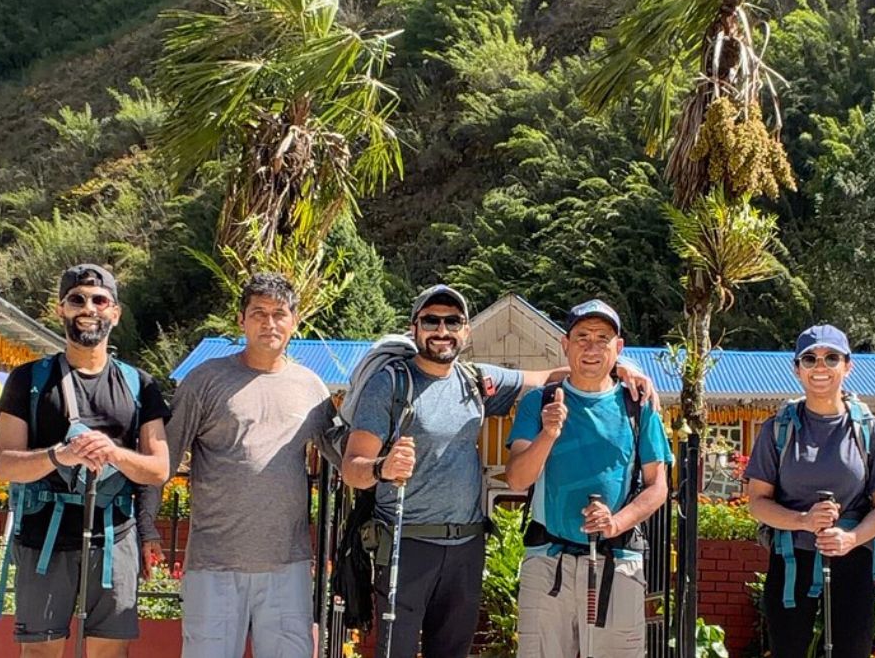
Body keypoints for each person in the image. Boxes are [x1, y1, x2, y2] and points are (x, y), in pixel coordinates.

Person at [340, 284, 656, 658]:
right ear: (414, 328)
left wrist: (622, 368)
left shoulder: (476, 380)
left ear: (466, 331)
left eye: (453, 321)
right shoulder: (391, 384)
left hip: (466, 545)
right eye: (431, 320)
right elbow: (351, 469)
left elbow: (553, 376)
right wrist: (383, 467)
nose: (442, 330)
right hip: (406, 540)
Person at [0, 264, 171, 657]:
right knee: (40, 651)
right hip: (43, 537)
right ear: (61, 310)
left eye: (99, 300)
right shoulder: (29, 380)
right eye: (77, 299)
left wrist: (114, 454)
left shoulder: (140, 385)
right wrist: (61, 455)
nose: (88, 308)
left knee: (109, 651)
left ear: (115, 312)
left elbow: (159, 468)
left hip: (114, 536)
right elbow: (4, 462)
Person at [165, 272, 335, 658]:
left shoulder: (312, 388)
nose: (269, 322)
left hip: (287, 565)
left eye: (279, 313)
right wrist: (146, 527)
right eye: (258, 312)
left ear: (294, 321)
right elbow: (164, 458)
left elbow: (345, 455)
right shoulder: (204, 381)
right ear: (241, 320)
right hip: (214, 564)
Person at [504, 299, 672, 658]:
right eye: (582, 337)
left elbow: (659, 485)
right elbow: (517, 479)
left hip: (619, 561)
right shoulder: (539, 402)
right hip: (548, 561)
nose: (592, 347)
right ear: (565, 345)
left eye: (602, 338)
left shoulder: (637, 406)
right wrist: (548, 433)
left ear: (619, 348)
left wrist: (616, 523)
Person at [743, 324, 875, 658]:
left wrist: (852, 538)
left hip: (852, 558)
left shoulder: (871, 431)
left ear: (848, 365)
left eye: (831, 358)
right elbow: (757, 502)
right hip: (790, 560)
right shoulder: (777, 430)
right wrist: (803, 520)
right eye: (810, 359)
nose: (820, 367)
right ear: (797, 369)